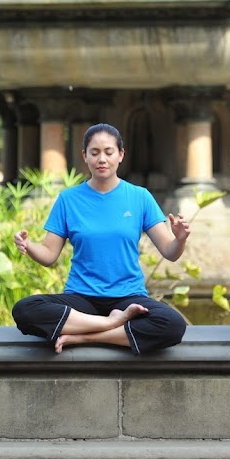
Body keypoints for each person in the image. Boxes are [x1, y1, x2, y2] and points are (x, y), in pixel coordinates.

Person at [11, 123, 189, 354]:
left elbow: (170, 252)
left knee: (173, 325)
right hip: (81, 298)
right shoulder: (68, 199)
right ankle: (111, 325)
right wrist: (28, 245)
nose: (102, 159)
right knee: (25, 310)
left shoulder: (140, 197)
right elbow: (48, 255)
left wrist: (181, 238)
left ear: (121, 155)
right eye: (94, 153)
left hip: (128, 296)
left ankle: (83, 338)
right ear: (85, 156)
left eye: (109, 152)